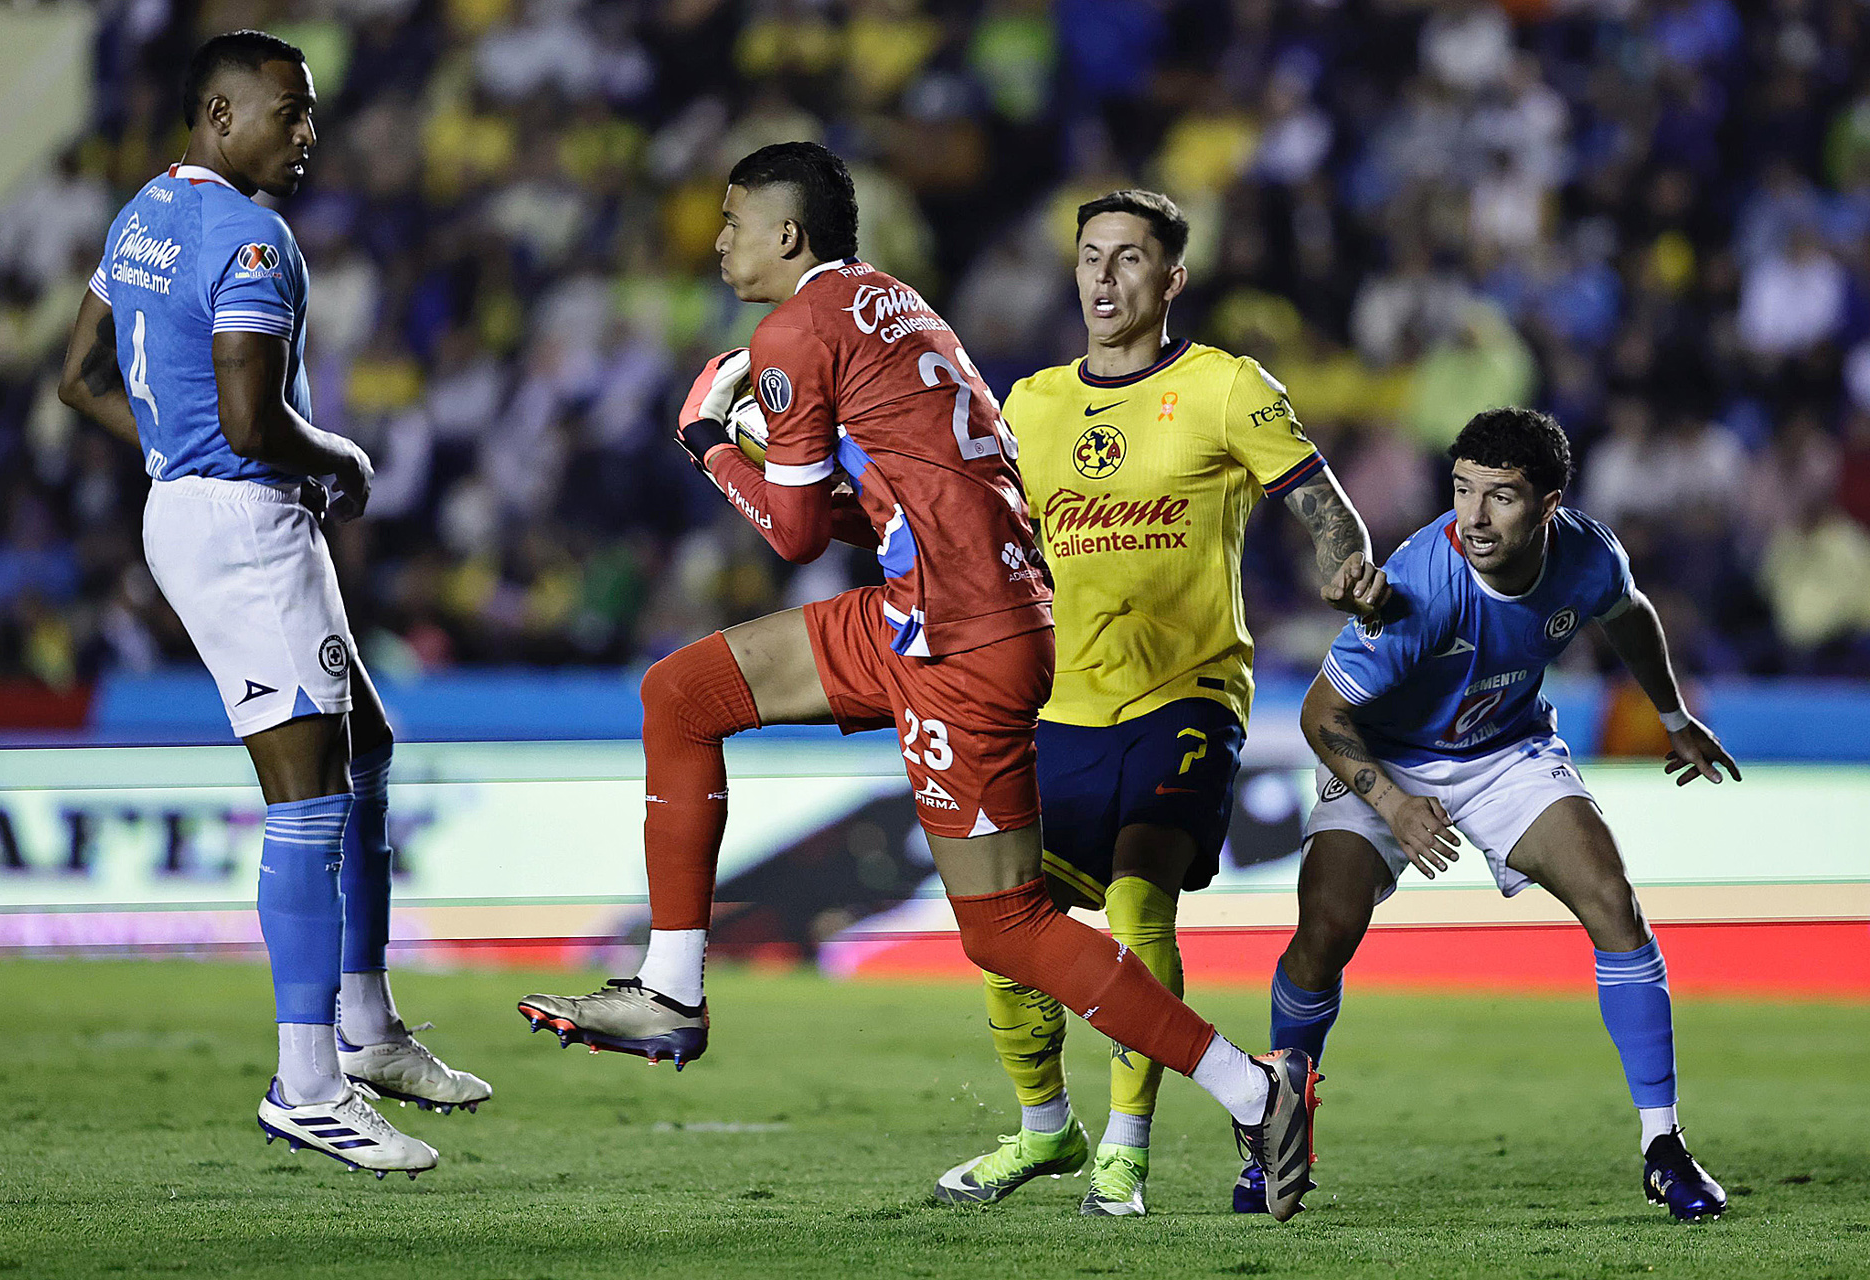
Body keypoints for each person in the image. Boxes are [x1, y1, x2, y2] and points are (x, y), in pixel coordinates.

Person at [515, 143, 1320, 1220]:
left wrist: (710, 442)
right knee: (683, 694)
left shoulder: (795, 328)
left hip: (958, 638)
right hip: (938, 611)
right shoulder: (893, 304)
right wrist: (780, 458)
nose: (716, 241)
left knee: (1005, 926)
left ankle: (1252, 1085)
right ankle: (669, 987)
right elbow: (893, 506)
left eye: (732, 219)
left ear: (788, 235)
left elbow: (796, 534)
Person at [56, 30, 488, 1180]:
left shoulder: (141, 213)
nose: (308, 135)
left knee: (365, 747)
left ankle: (368, 1025)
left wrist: (173, 455)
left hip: (196, 509)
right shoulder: (254, 239)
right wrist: (342, 458)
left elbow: (78, 378)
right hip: (246, 523)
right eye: (288, 113)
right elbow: (255, 425)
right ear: (219, 109)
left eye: (311, 116)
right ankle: (308, 1084)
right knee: (305, 792)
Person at [933, 189, 1387, 1217]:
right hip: (1058, 704)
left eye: (1129, 258)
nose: (1103, 277)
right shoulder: (1035, 405)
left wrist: (1346, 560)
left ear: (1170, 278)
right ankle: (1045, 1128)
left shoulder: (1226, 388)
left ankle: (1126, 1152)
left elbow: (1319, 500)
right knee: (1003, 922)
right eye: (1090, 256)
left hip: (1188, 695)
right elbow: (983, 544)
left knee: (1141, 895)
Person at [1267, 406, 1734, 1221]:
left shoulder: (1588, 556)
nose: (1474, 518)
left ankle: (1664, 1147)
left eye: (1501, 497)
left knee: (1614, 905)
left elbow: (1630, 618)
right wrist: (1393, 802)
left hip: (1505, 753)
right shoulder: (1417, 586)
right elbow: (1319, 717)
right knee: (1324, 933)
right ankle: (1277, 1130)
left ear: (1549, 505)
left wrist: (1672, 717)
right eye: (1461, 491)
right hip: (1385, 758)